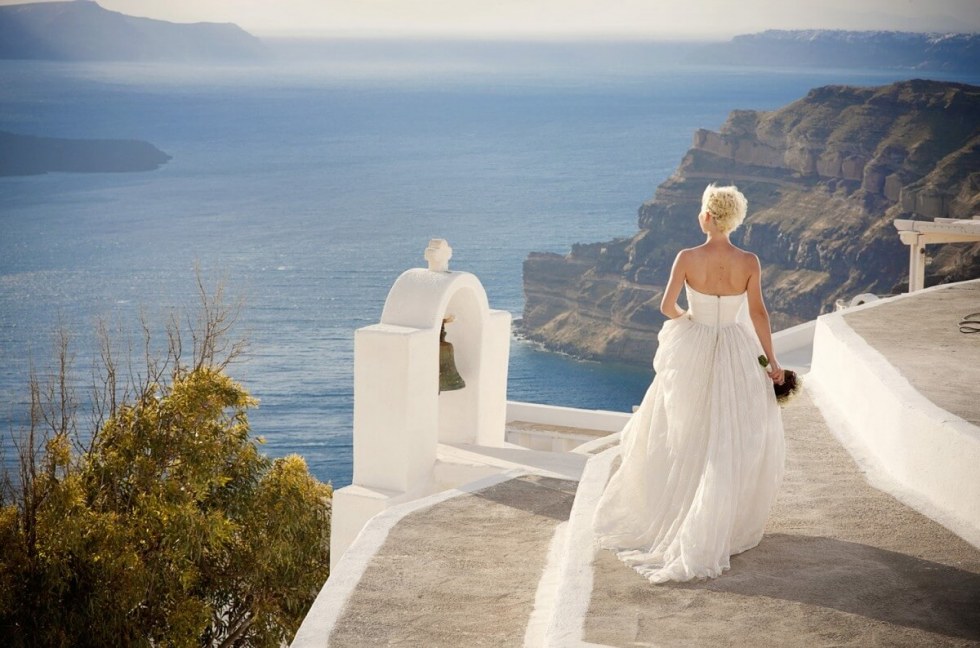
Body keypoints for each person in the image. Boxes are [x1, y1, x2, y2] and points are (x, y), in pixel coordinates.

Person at [592, 183, 785, 584]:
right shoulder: (749, 261)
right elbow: (760, 314)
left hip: (694, 343)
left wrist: (688, 320)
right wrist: (773, 362)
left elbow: (666, 307)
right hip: (734, 345)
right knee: (728, 435)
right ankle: (716, 522)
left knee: (685, 430)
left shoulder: (686, 257)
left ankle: (682, 512)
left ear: (708, 217)